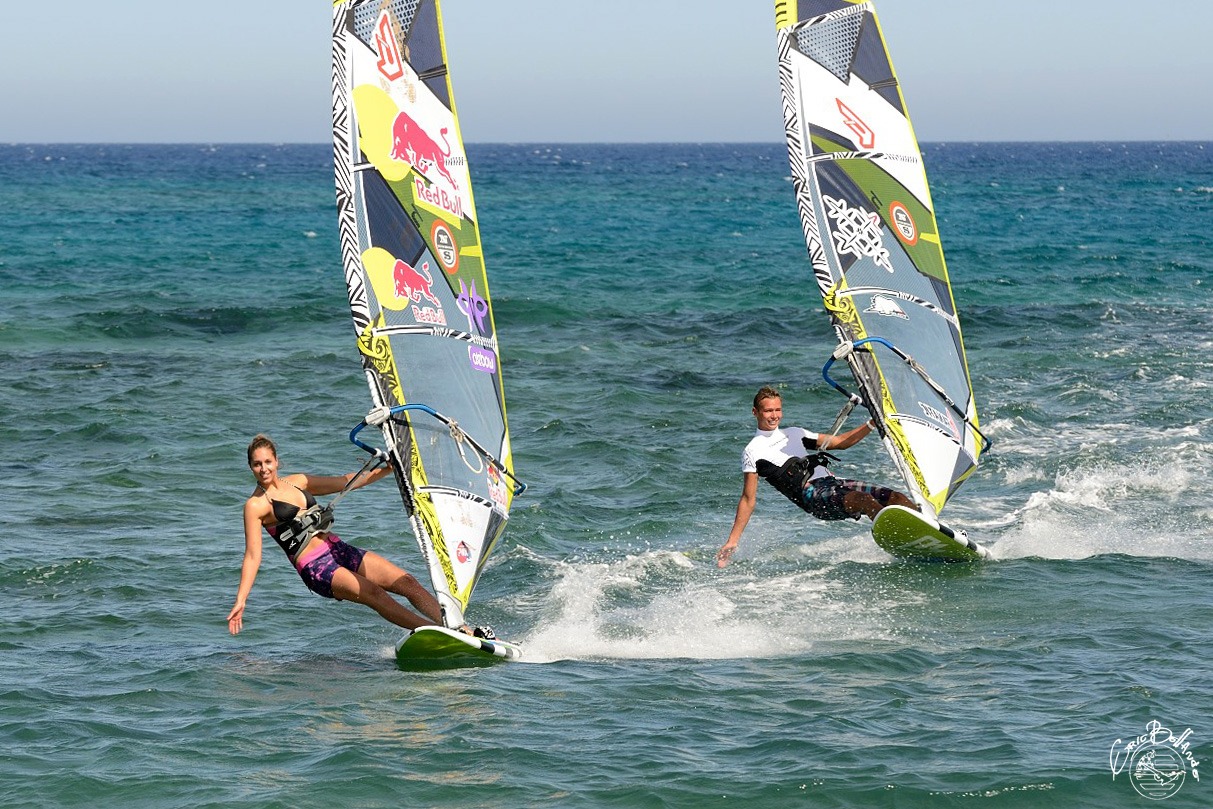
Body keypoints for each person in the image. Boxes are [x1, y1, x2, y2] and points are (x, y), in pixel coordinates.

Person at [228, 434, 488, 638]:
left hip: (338, 550)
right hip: (316, 568)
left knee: (406, 582)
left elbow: (345, 481)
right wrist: (241, 599)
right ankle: (440, 633)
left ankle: (460, 628)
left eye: (268, 462)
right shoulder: (256, 506)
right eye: (257, 464)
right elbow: (252, 556)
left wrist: (387, 469)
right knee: (375, 594)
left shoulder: (298, 481)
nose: (263, 469)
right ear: (250, 466)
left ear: (277, 461)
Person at [716, 386, 917, 568]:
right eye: (768, 410)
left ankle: (929, 531)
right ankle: (901, 543)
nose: (774, 415)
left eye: (777, 410)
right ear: (755, 412)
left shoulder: (795, 433)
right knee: (864, 500)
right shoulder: (753, 451)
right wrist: (733, 540)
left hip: (833, 484)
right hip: (813, 496)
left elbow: (839, 442)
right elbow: (748, 499)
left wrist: (873, 423)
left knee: (896, 498)